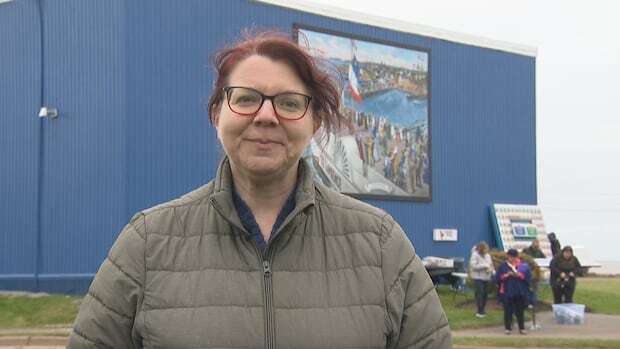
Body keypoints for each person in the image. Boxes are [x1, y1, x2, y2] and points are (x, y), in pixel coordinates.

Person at [67, 31, 452, 348]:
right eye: (246, 99)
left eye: (289, 103)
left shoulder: (380, 244)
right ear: (217, 112)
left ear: (315, 122)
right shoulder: (147, 243)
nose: (266, 116)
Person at [496, 249, 531, 335]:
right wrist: (506, 275)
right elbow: (497, 278)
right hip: (507, 291)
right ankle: (508, 328)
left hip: (519, 291)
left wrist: (520, 275)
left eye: (512, 257)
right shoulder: (503, 266)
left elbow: (527, 277)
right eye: (509, 256)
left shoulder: (522, 265)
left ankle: (521, 328)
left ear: (516, 257)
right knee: (507, 310)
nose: (510, 258)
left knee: (520, 311)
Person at [469, 241, 494, 317]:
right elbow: (473, 266)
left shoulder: (488, 255)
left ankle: (483, 309)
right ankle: (480, 311)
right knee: (480, 293)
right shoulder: (475, 255)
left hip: (486, 277)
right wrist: (484, 266)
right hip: (478, 277)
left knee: (485, 294)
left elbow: (490, 264)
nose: (486, 251)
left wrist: (492, 270)